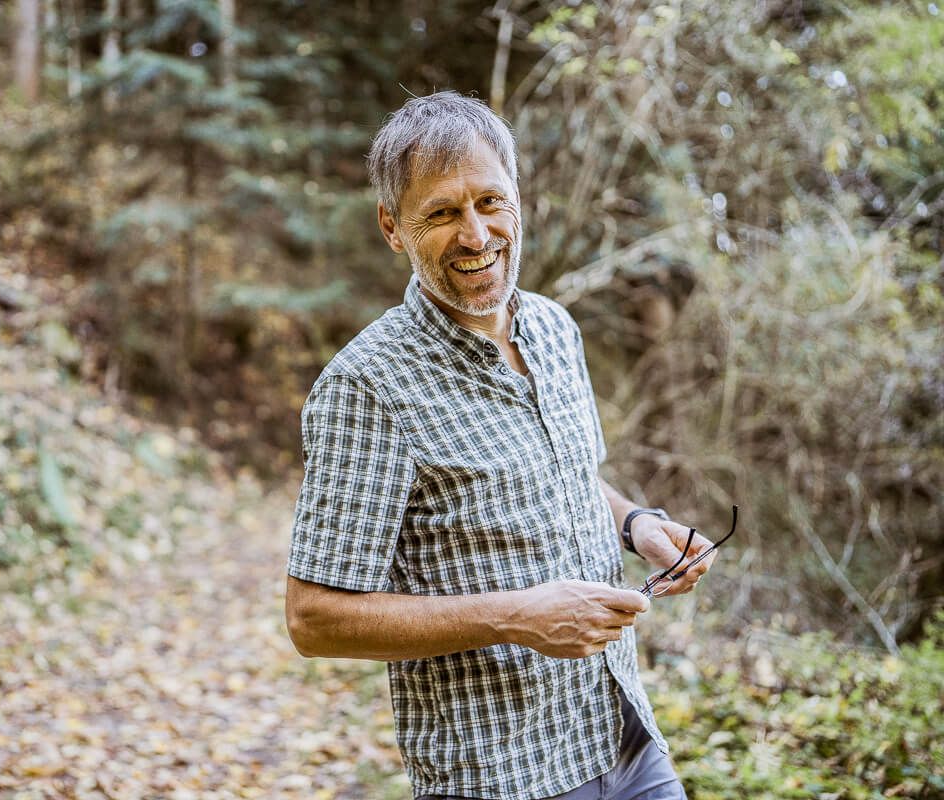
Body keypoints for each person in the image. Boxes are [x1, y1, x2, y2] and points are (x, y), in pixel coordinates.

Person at [284, 91, 716, 800]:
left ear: (519, 199)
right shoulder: (368, 386)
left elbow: (566, 477)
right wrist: (516, 616)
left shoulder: (554, 327)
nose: (477, 235)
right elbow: (313, 618)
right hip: (500, 778)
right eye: (443, 213)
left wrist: (640, 525)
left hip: (624, 737)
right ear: (393, 228)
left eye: (491, 202)